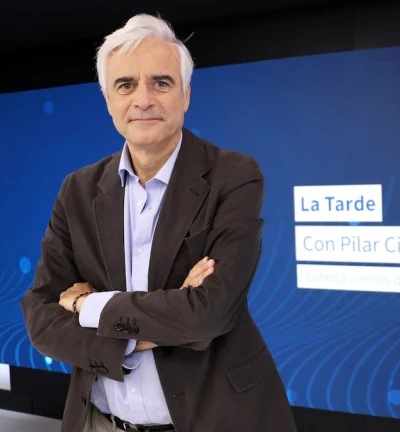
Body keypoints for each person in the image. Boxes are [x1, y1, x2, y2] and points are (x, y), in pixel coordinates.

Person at [20, 13, 296, 432]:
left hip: (215, 420)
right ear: (108, 99)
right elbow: (41, 316)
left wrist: (86, 306)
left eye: (161, 83)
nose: (143, 99)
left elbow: (208, 315)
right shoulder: (77, 189)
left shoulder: (234, 175)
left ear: (185, 94)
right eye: (125, 85)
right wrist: (150, 330)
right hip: (99, 422)